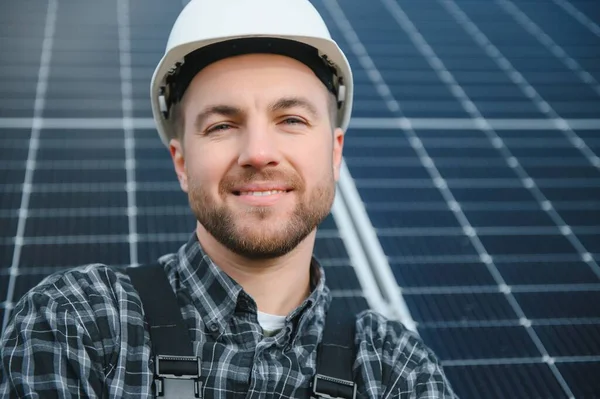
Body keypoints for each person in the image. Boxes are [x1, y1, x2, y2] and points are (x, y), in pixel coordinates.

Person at [0, 0, 457, 397]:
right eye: (222, 125)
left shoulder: (397, 372)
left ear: (335, 153)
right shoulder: (79, 323)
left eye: (292, 119)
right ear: (181, 162)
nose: (259, 153)